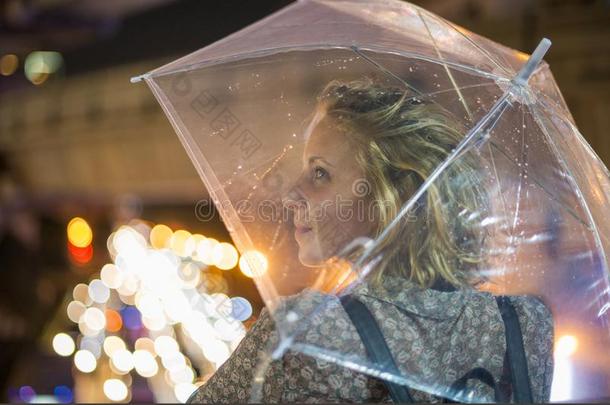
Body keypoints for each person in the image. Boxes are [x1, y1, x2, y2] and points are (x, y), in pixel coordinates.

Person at [188, 77, 554, 403]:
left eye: (319, 173)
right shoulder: (525, 325)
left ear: (390, 197)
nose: (292, 194)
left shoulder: (304, 332)